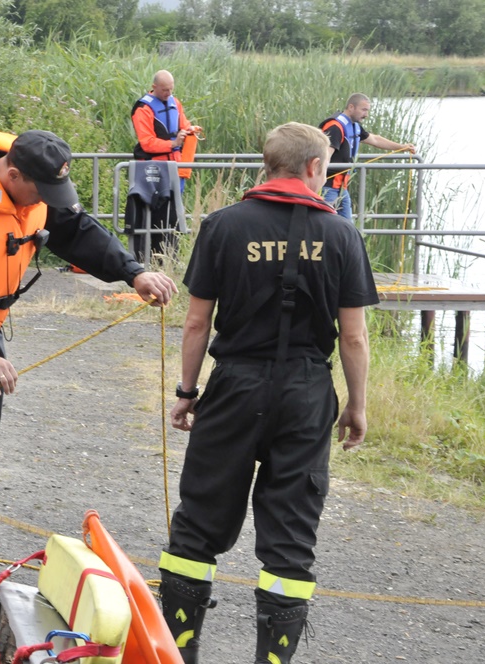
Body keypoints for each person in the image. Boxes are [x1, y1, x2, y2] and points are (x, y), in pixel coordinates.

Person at [0, 129, 178, 604]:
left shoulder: (33, 193)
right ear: (12, 174)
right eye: (41, 191)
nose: (48, 201)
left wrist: (133, 272)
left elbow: (77, 231)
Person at [159, 122, 378, 664]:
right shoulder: (342, 234)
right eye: (326, 166)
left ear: (269, 164)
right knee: (290, 536)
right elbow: (352, 334)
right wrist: (356, 403)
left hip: (235, 384)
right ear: (312, 169)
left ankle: (179, 652)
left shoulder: (223, 225)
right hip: (306, 390)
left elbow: (196, 323)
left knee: (199, 524)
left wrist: (188, 391)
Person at [130, 69, 194, 261]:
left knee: (172, 217)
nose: (168, 93)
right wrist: (173, 144)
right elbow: (146, 142)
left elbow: (184, 124)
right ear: (154, 87)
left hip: (174, 168)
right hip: (152, 171)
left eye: (171, 89)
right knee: (152, 217)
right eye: (164, 90)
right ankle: (144, 261)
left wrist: (190, 130)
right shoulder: (143, 108)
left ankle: (168, 262)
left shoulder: (176, 103)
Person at [319, 93, 416, 220]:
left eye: (367, 110)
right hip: (328, 187)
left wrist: (402, 147)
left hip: (342, 188)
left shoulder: (354, 126)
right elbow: (325, 155)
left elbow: (375, 139)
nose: (366, 115)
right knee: (328, 227)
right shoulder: (335, 127)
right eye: (363, 110)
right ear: (351, 107)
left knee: (349, 230)